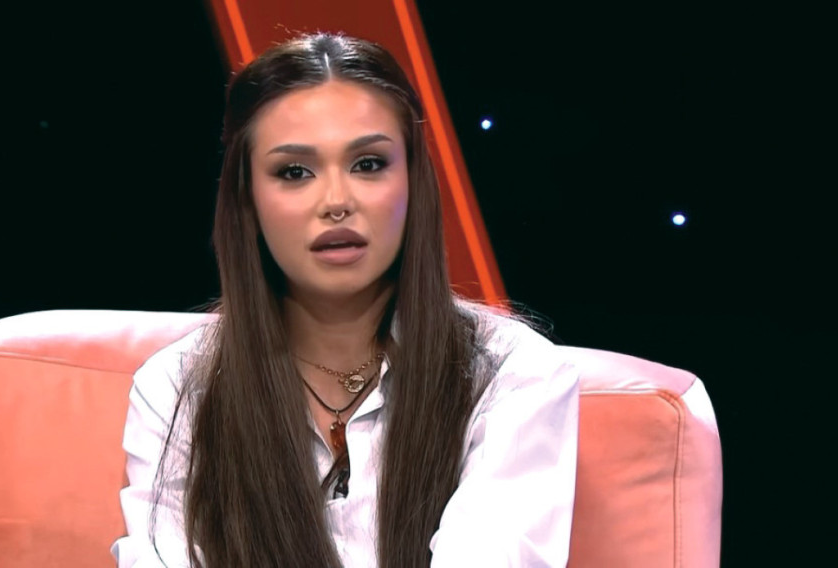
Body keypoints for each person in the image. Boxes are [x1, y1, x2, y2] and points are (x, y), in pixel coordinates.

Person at [111, 32, 578, 567]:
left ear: (414, 181)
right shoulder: (177, 390)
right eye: (294, 172)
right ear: (247, 199)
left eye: (368, 164)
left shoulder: (512, 375)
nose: (336, 201)